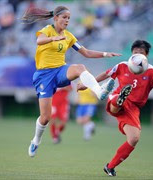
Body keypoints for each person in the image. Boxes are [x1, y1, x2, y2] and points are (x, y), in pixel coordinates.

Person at [22, 6, 121, 157]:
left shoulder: (69, 36)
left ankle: (100, 91)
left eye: (68, 18)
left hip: (60, 71)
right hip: (44, 76)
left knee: (79, 67)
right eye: (64, 17)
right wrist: (53, 38)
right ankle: (36, 140)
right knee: (45, 117)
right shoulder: (47, 30)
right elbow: (39, 40)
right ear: (56, 18)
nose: (67, 20)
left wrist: (106, 54)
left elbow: (86, 52)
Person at [77, 40, 153, 176]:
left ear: (146, 55)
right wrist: (87, 84)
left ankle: (110, 167)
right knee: (118, 100)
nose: (138, 56)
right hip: (117, 98)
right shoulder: (122, 65)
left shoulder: (152, 71)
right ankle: (112, 96)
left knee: (134, 139)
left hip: (133, 109)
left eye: (141, 53)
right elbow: (105, 74)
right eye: (135, 52)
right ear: (131, 54)